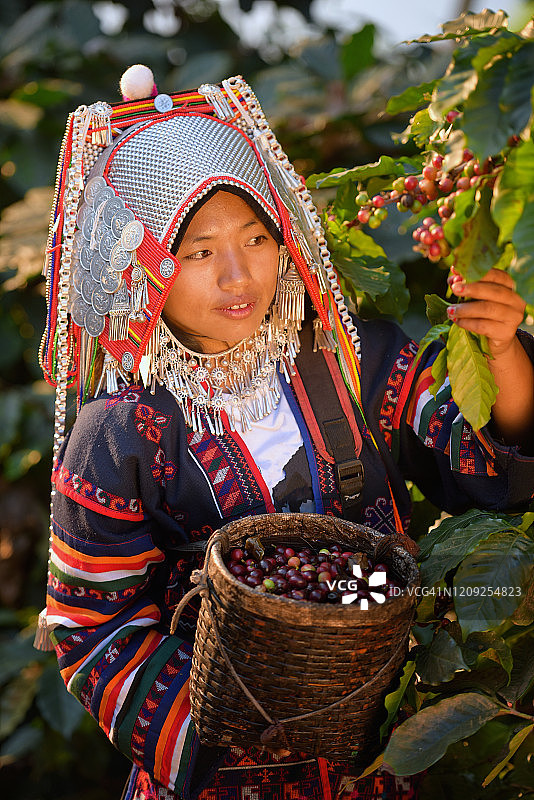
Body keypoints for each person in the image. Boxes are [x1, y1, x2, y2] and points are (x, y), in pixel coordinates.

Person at [38, 65, 534, 800]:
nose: (237, 274)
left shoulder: (351, 359)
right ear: (140, 272)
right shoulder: (119, 435)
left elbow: (485, 459)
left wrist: (500, 351)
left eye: (256, 238)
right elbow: (92, 627)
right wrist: (232, 733)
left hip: (376, 765)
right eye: (199, 251)